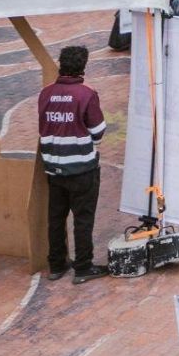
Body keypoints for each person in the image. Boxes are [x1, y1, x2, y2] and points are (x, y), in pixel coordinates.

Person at [38, 45, 109, 282]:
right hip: (82, 168)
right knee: (83, 218)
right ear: (83, 67)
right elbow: (98, 132)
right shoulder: (86, 94)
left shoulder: (45, 93)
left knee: (56, 218)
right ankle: (83, 267)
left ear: (61, 64)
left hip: (53, 167)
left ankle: (57, 265)